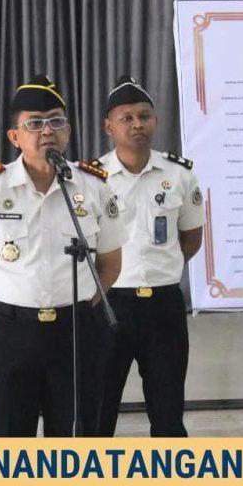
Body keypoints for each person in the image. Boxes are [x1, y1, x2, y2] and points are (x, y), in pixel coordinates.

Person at [0, 75, 126, 437]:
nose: (47, 131)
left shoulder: (93, 185)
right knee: (9, 449)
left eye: (56, 121)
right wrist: (1, 317)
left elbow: (110, 264)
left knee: (76, 444)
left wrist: (80, 308)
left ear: (68, 131)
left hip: (74, 334)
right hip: (8, 337)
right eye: (35, 123)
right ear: (15, 136)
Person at [95, 75, 204, 437]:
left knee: (168, 413)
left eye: (144, 116)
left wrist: (161, 268)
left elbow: (190, 239)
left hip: (163, 307)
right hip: (109, 306)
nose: (137, 124)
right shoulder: (92, 179)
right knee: (98, 413)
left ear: (156, 121)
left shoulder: (179, 174)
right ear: (109, 127)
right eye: (126, 118)